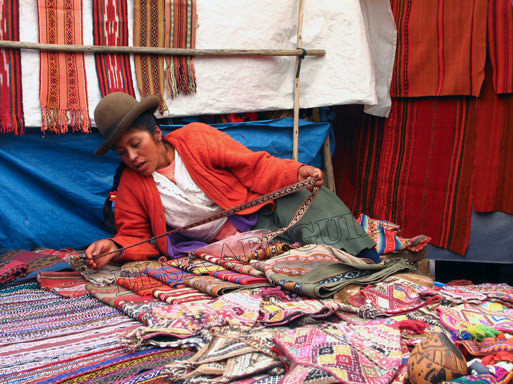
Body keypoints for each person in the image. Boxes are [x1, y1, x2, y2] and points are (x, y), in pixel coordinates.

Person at [85, 92, 379, 269]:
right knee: (289, 261)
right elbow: (137, 236)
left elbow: (254, 168)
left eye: (136, 143)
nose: (132, 156)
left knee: (308, 198)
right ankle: (314, 268)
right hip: (214, 249)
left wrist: (296, 173)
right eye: (122, 152)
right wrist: (113, 248)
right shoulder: (131, 184)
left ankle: (364, 259)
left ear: (157, 133)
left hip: (254, 222)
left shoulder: (196, 139)